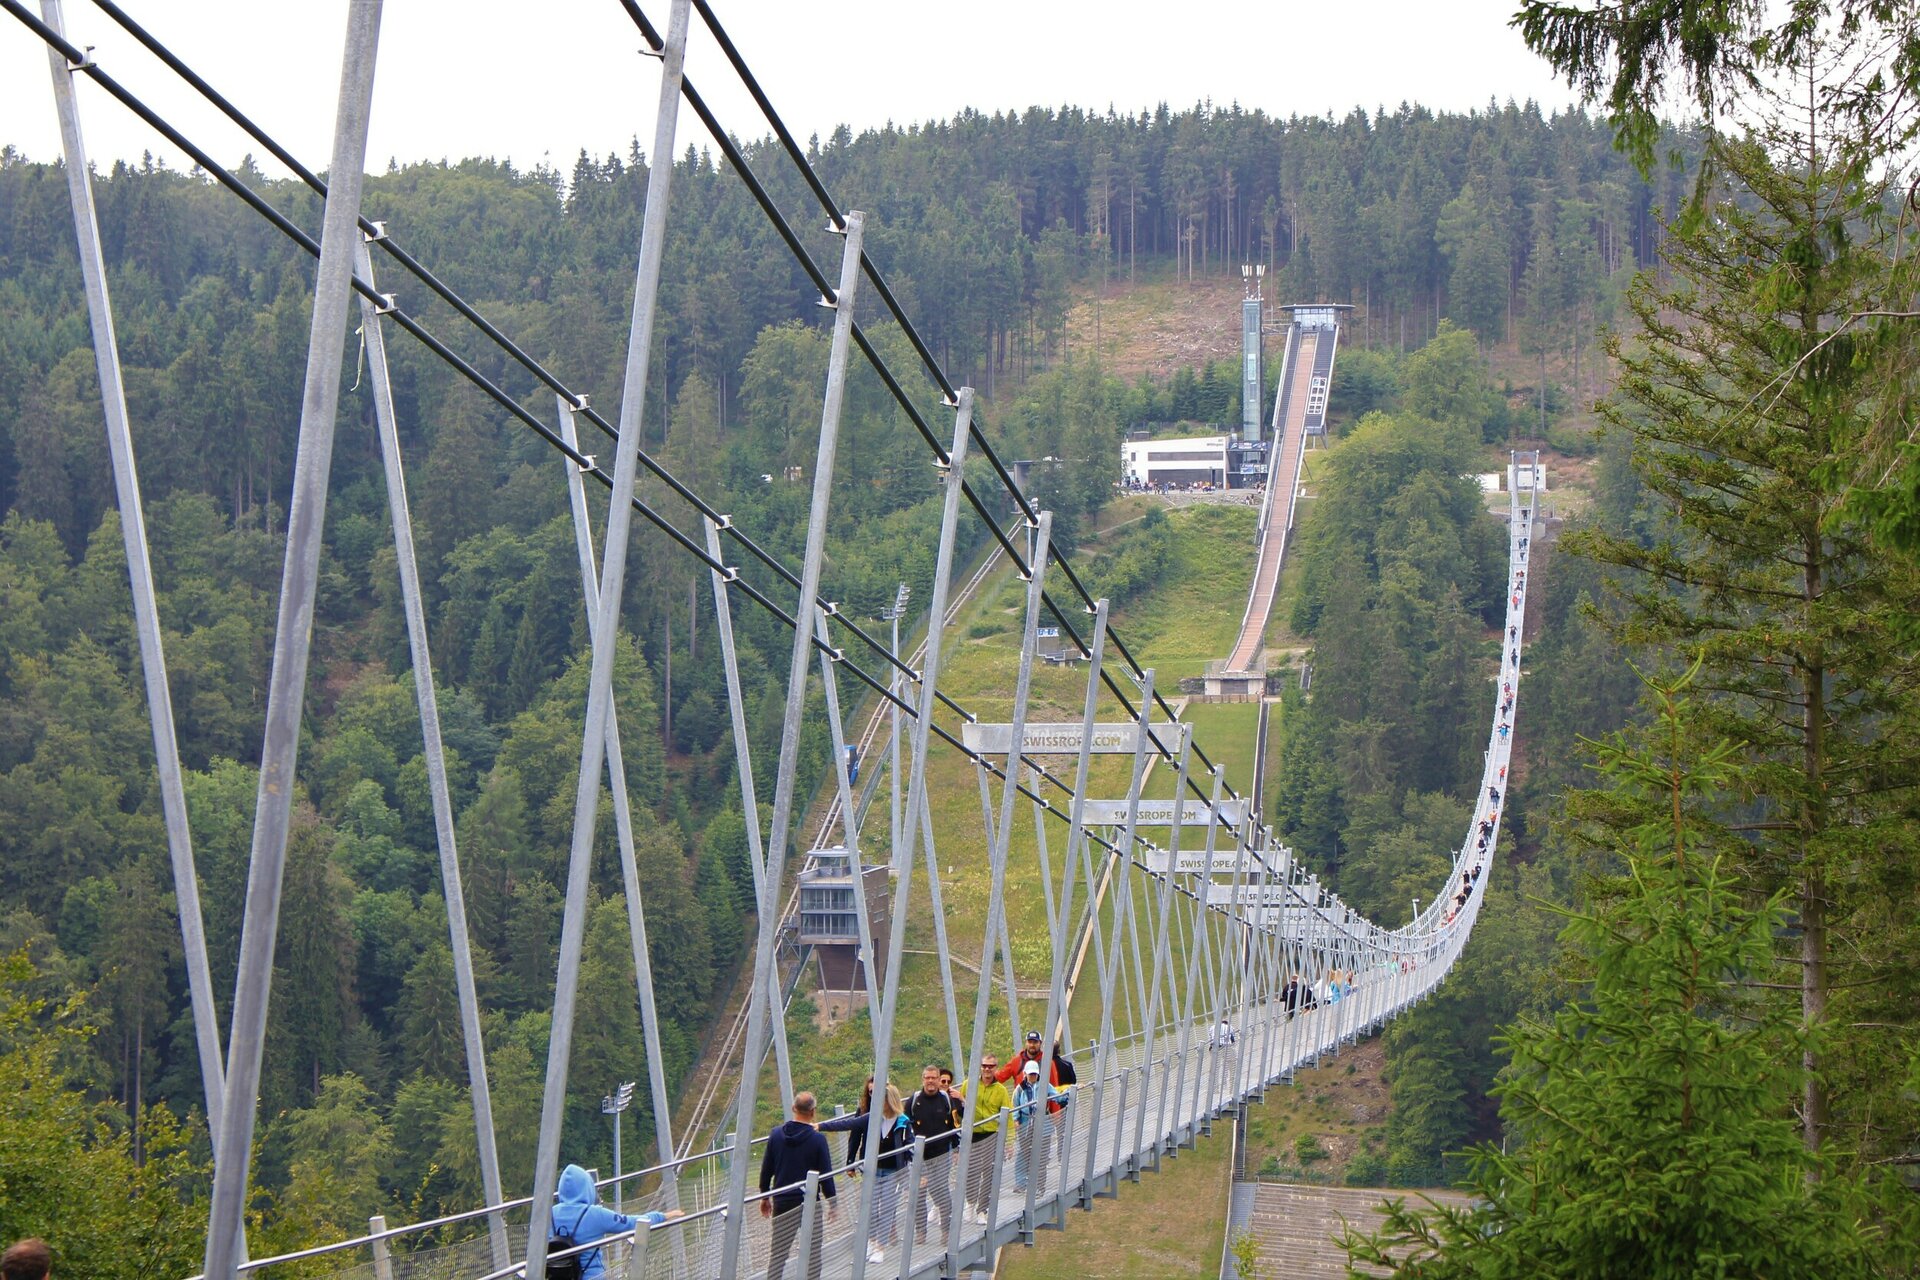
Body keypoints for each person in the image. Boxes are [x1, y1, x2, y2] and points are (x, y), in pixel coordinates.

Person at [821, 1084, 912, 1264]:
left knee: (886, 1209)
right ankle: (871, 1241)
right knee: (869, 1208)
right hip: (872, 1172)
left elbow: (910, 1147)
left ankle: (880, 1247)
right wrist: (821, 1126)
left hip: (893, 1173)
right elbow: (849, 1124)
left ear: (890, 1100)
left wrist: (917, 1174)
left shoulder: (903, 1121)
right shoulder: (872, 1118)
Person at [758, 1092, 837, 1280]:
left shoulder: (776, 1135)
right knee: (813, 1251)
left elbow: (766, 1169)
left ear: (794, 1109)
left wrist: (764, 1196)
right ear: (813, 1112)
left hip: (783, 1201)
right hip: (809, 1202)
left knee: (778, 1253)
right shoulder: (818, 1140)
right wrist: (832, 1202)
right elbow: (826, 1175)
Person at [549, 1163, 638, 1280]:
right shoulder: (595, 1214)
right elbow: (631, 1223)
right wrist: (663, 1216)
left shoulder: (547, 1215)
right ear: (588, 1188)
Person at [905, 1064, 960, 1242]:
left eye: (933, 1078)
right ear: (923, 1079)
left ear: (938, 1080)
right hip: (920, 1157)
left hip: (942, 1154)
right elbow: (905, 1128)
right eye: (927, 1078)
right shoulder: (913, 1101)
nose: (930, 1081)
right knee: (919, 1194)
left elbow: (954, 1125)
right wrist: (907, 1154)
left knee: (941, 1190)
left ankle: (946, 1230)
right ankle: (921, 1231)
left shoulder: (945, 1099)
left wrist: (956, 1148)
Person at [958, 1058, 1013, 1224]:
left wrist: (1009, 1142)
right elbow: (960, 1107)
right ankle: (970, 1203)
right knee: (971, 1171)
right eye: (984, 1066)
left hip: (991, 1134)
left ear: (996, 1068)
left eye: (991, 1066)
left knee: (988, 1171)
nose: (987, 1069)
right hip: (972, 1134)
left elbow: (1008, 1115)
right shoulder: (969, 1084)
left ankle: (982, 1209)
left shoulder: (1000, 1090)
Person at [1010, 1060, 1061, 1195]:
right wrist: (1016, 1120)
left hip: (1043, 1123)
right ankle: (1025, 1183)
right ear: (1025, 1074)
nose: (1033, 1076)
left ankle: (1040, 1187)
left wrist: (1066, 1096)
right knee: (1027, 1155)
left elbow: (1056, 1096)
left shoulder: (1045, 1086)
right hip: (1026, 1125)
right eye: (1030, 1074)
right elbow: (1015, 1105)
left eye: (1035, 1074)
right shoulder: (1020, 1089)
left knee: (1042, 1157)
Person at [994, 1031, 1065, 1117]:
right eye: (1030, 1042)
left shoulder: (1047, 1063)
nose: (1032, 1045)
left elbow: (1054, 1088)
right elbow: (1000, 1076)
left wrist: (1056, 1116)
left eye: (1035, 1042)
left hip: (1042, 1115)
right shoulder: (1017, 1061)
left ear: (1040, 1043)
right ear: (1026, 1043)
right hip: (1021, 1115)